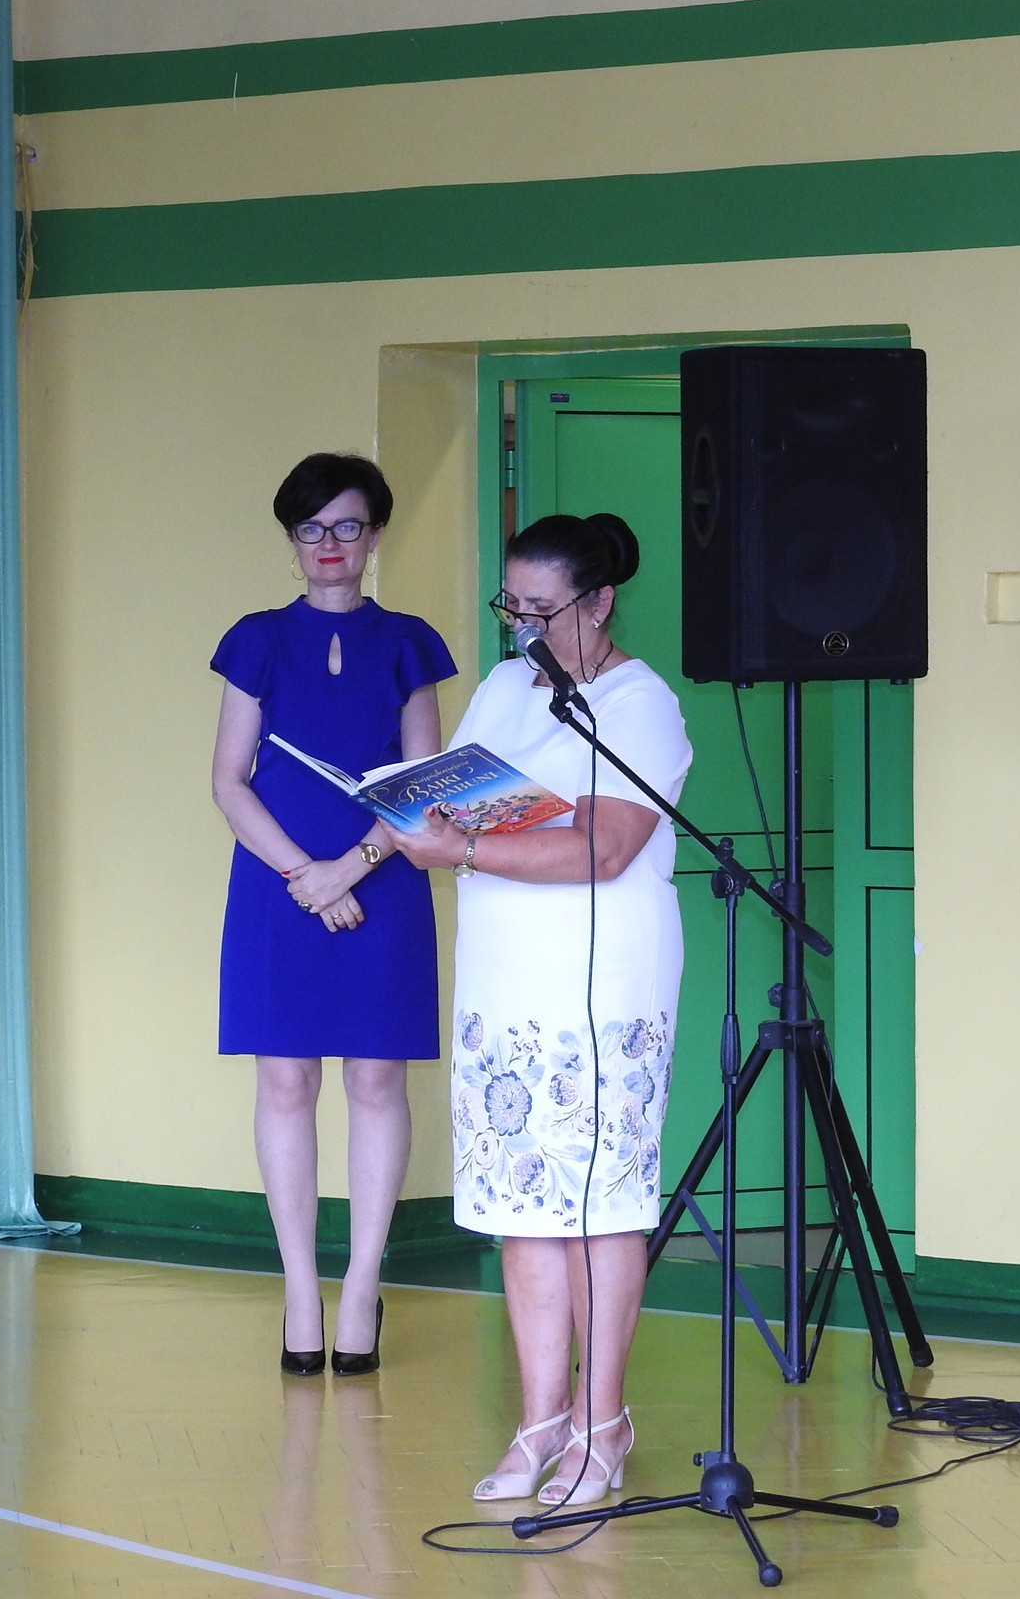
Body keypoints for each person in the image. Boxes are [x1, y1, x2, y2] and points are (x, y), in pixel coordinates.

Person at [382, 511, 691, 1510]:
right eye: (508, 606)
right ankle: (540, 1422)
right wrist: (422, 820)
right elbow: (452, 800)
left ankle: (603, 1425)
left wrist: (464, 849)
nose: (521, 628)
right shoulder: (505, 688)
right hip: (504, 976)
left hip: (604, 982)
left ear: (599, 602)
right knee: (523, 1207)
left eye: (542, 610)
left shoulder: (640, 703)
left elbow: (605, 847)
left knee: (599, 1208)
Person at [210, 452, 456, 1376]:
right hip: (277, 890)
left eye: (348, 526)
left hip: (381, 882)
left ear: (375, 535)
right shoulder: (256, 640)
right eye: (311, 528)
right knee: (284, 1083)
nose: (329, 544)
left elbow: (424, 787)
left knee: (378, 1083)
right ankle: (299, 1289)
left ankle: (360, 1287)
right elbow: (229, 780)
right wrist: (304, 876)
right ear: (291, 538)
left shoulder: (409, 643)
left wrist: (349, 868)